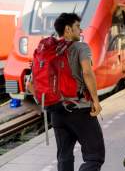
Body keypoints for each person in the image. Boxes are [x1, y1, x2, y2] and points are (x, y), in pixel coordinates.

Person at [33, 13, 105, 171]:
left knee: (64, 156)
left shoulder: (48, 50)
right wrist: (96, 101)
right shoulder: (81, 47)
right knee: (95, 156)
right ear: (67, 30)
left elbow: (31, 84)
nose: (80, 30)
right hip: (78, 109)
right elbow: (87, 73)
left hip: (56, 112)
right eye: (77, 27)